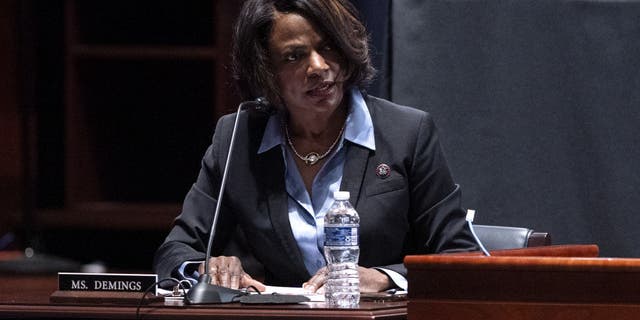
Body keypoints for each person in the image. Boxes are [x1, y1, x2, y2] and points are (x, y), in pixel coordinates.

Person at [153, 0, 478, 293]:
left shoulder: (407, 133)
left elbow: (462, 256)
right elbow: (175, 252)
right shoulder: (238, 138)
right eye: (294, 56)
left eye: (328, 47)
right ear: (265, 70)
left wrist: (383, 277)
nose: (319, 67)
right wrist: (203, 268)